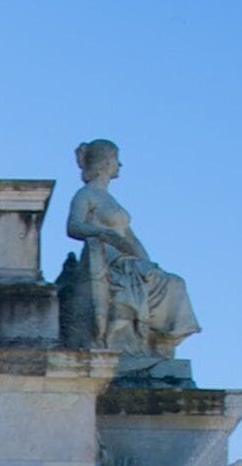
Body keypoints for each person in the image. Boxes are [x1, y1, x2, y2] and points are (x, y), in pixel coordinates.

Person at [57, 141, 201, 377]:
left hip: (128, 260)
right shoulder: (86, 195)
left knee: (174, 282)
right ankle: (148, 345)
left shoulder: (109, 199)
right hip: (107, 259)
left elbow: (130, 237)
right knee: (169, 284)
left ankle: (161, 343)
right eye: (116, 159)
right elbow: (73, 227)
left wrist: (148, 262)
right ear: (105, 163)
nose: (119, 164)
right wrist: (104, 234)